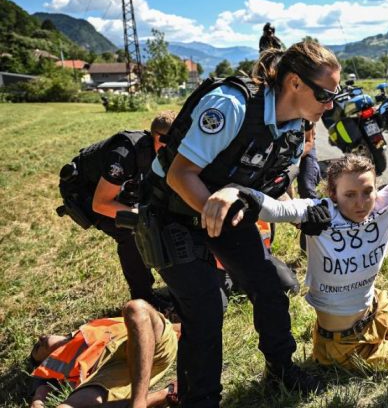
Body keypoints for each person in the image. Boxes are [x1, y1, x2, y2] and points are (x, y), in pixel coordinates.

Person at [144, 41, 341, 405]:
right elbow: (179, 174)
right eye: (326, 94)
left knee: (270, 284)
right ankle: (199, 400)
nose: (331, 104)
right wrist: (216, 208)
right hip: (173, 209)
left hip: (223, 208)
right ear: (295, 83)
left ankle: (282, 370)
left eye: (335, 95)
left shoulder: (296, 129)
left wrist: (300, 215)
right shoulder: (231, 105)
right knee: (206, 305)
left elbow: (268, 188)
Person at [202, 153, 388, 371]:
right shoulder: (319, 213)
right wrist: (237, 190)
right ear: (333, 194)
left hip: (379, 308)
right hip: (343, 343)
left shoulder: (382, 204)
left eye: (368, 191)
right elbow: (275, 210)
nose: (361, 203)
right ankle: (386, 342)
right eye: (349, 194)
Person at [56, 111, 176, 311]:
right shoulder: (125, 153)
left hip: (117, 189)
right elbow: (101, 203)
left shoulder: (159, 150)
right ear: (159, 139)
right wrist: (142, 217)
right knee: (132, 231)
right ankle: (143, 299)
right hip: (86, 193)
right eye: (176, 142)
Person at [28, 300, 179, 408]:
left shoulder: (88, 328)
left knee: (135, 308)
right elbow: (42, 388)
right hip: (112, 371)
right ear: (44, 359)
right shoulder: (54, 364)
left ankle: (138, 404)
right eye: (38, 348)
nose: (40, 338)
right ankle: (166, 394)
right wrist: (37, 401)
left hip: (147, 341)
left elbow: (161, 326)